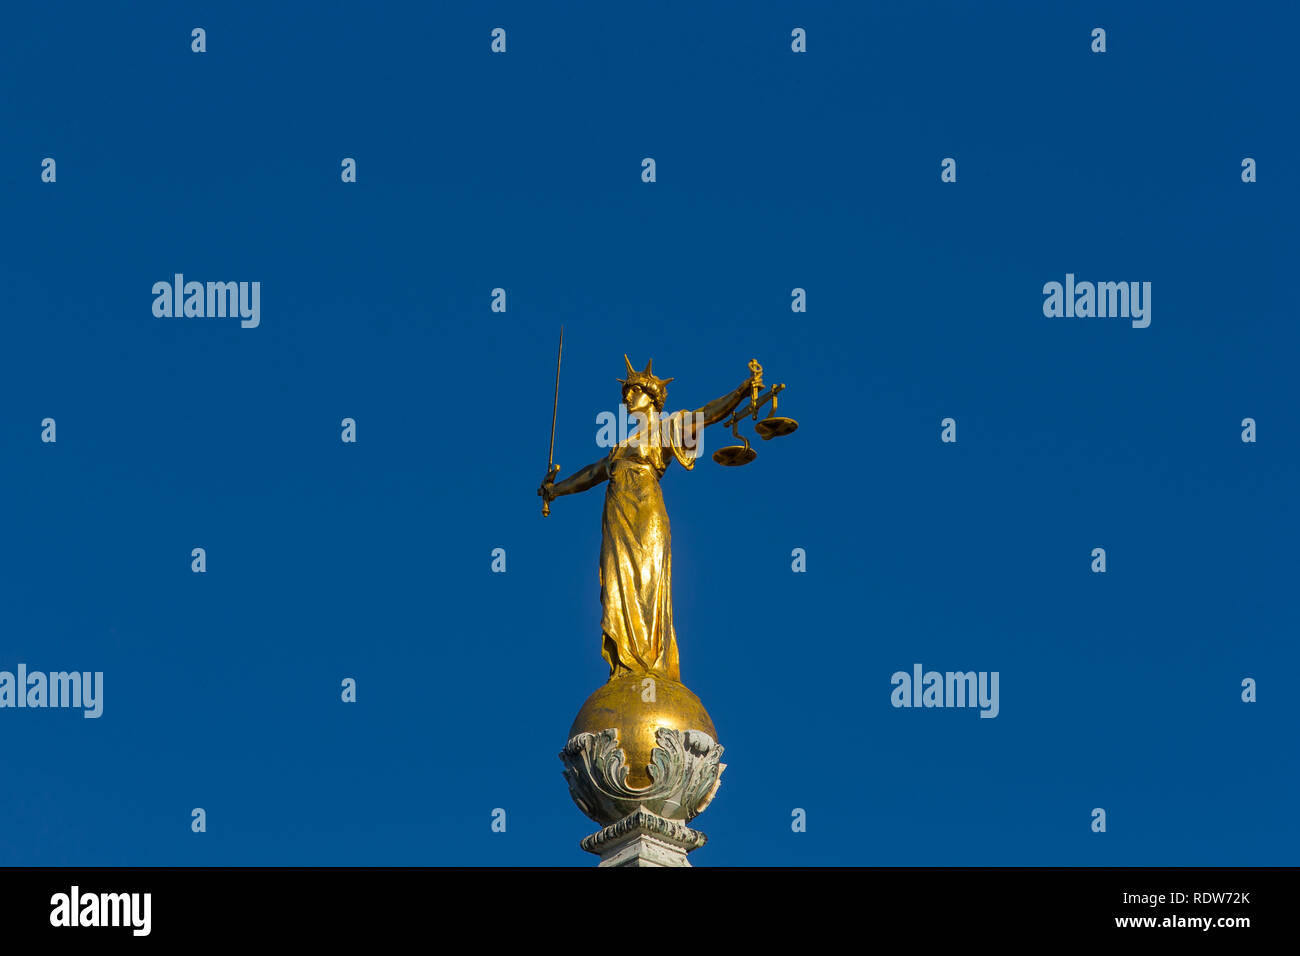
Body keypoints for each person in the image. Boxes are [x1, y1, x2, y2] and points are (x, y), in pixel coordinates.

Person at [539, 356, 759, 681]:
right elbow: (591, 474)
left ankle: (650, 662)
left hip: (646, 513)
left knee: (649, 579)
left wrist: (742, 391)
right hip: (617, 515)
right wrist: (555, 491)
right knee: (616, 582)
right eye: (625, 393)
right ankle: (625, 664)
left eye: (633, 392)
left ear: (652, 398)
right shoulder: (619, 447)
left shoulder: (666, 428)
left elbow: (708, 414)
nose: (626, 398)